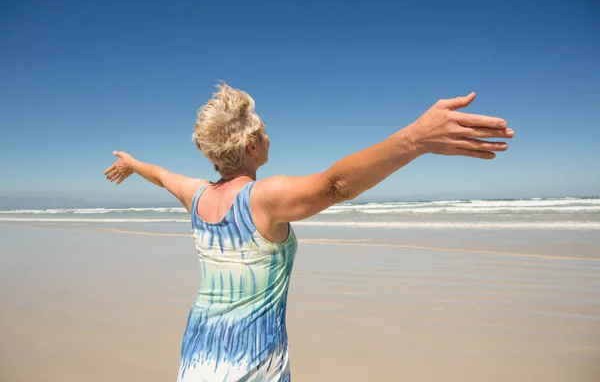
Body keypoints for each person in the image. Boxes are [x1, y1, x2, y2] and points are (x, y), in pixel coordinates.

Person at [103, 83, 513, 381]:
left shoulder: (195, 195)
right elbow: (336, 185)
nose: (269, 136)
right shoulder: (263, 198)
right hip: (251, 365)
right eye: (262, 132)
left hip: (196, 358)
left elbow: (160, 175)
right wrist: (414, 139)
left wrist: (133, 163)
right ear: (250, 146)